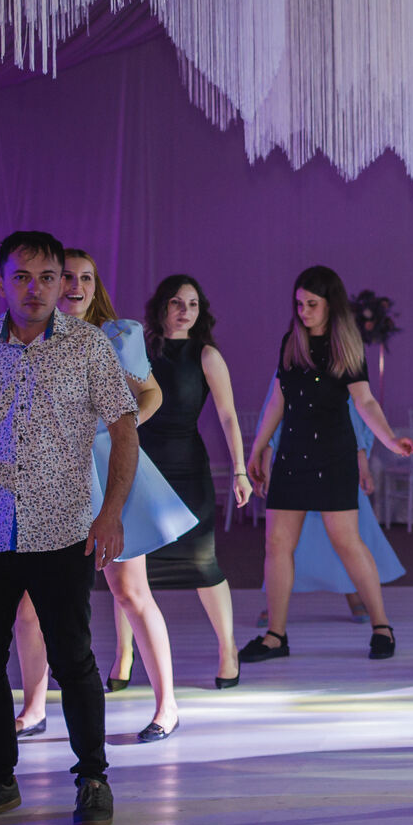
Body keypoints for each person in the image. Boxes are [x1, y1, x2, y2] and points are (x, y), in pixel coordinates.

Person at [0, 230, 139, 825]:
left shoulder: (89, 346)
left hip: (62, 531)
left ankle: (93, 778)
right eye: (22, 277)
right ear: (1, 282)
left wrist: (111, 513)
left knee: (74, 661)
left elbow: (125, 430)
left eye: (48, 277)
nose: (37, 289)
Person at [11, 251, 196, 742]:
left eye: (86, 278)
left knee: (130, 592)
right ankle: (33, 708)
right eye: (67, 277)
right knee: (30, 602)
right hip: (50, 478)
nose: (76, 286)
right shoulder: (30, 337)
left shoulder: (118, 335)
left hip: (109, 470)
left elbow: (151, 395)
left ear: (96, 286)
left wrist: (118, 429)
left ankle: (167, 706)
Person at [243, 266, 413, 662]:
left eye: (312, 304)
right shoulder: (292, 342)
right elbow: (278, 400)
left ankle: (382, 626)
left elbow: (365, 402)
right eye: (299, 304)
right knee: (277, 544)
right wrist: (258, 448)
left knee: (347, 542)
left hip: (333, 455)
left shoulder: (346, 347)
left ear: (330, 305)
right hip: (293, 453)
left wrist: (390, 440)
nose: (303, 311)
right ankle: (275, 636)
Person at [139, 274, 249, 688]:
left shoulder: (206, 355)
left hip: (188, 471)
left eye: (193, 304)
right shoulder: (140, 351)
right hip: (143, 471)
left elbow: (228, 417)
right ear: (161, 307)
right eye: (176, 302)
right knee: (132, 566)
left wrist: (239, 470)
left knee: (203, 563)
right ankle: (124, 656)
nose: (185, 311)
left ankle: (228, 648)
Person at [260, 394, 406, 611]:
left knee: (345, 535)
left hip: (336, 462)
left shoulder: (343, 375)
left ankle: (354, 593)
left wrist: (362, 464)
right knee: (286, 540)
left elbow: (356, 416)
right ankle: (275, 606)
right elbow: (273, 415)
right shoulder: (285, 373)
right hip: (296, 463)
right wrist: (265, 461)